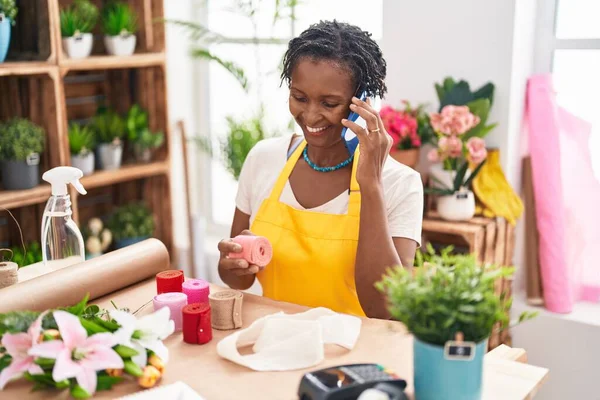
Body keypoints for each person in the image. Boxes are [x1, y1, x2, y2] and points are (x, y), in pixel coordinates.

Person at [217, 20, 423, 319]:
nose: (311, 115)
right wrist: (230, 265)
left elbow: (385, 309)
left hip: (355, 358)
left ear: (362, 102)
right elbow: (241, 278)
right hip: (276, 344)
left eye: (329, 103)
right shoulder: (264, 159)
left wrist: (371, 186)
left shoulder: (399, 183)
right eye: (300, 97)